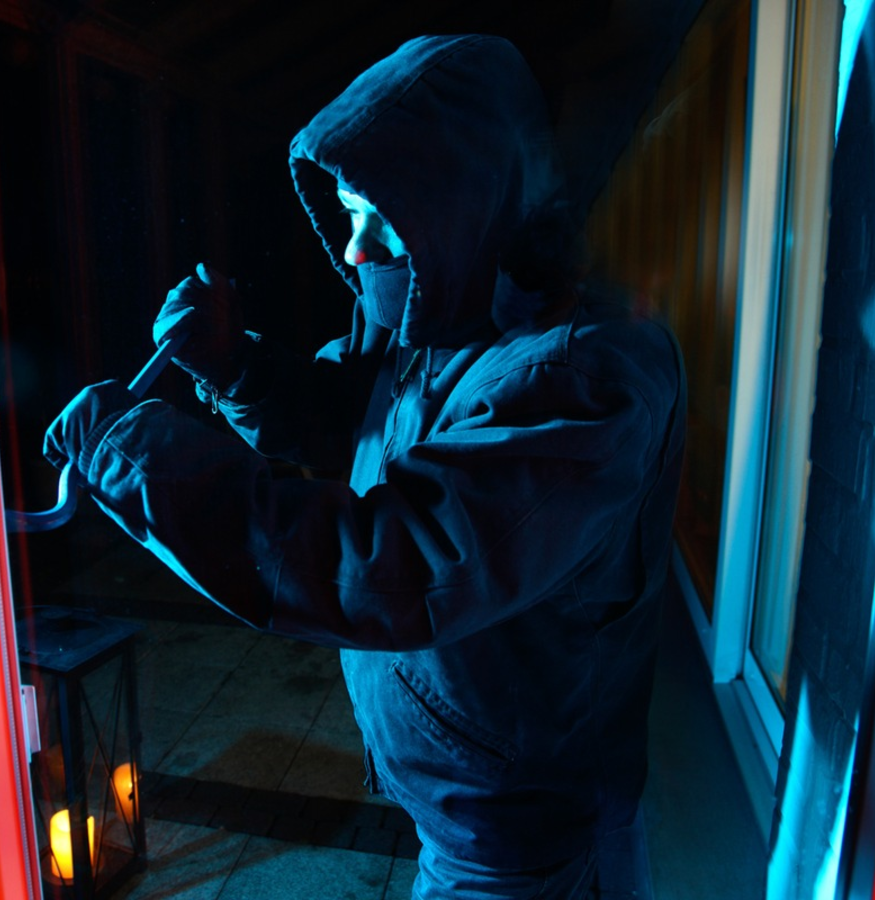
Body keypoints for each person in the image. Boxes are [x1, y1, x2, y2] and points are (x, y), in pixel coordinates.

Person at [44, 34, 686, 900]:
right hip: (463, 813)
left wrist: (133, 453)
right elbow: (349, 421)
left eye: (381, 217)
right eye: (349, 213)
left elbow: (395, 563)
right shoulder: (445, 315)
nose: (353, 249)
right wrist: (235, 365)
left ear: (465, 200)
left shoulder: (585, 377)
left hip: (525, 852)